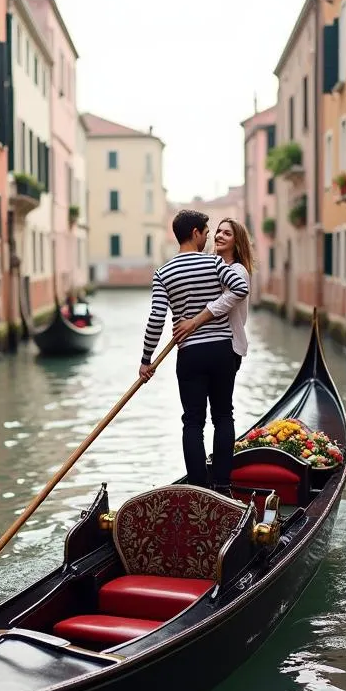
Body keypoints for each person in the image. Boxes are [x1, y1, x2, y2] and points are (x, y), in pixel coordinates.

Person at [138, 209, 250, 492]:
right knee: (223, 415)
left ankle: (199, 488)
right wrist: (209, 311)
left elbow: (155, 319)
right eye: (206, 232)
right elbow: (239, 288)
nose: (209, 238)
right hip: (222, 349)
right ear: (195, 233)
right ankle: (223, 484)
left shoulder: (163, 273)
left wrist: (146, 359)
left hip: (190, 354)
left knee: (192, 422)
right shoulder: (214, 263)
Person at [172, 217, 253, 375]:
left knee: (219, 400)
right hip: (202, 344)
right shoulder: (210, 266)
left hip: (229, 345)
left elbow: (222, 303)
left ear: (237, 242)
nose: (219, 235)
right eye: (219, 231)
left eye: (227, 233)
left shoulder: (238, 271)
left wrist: (193, 323)